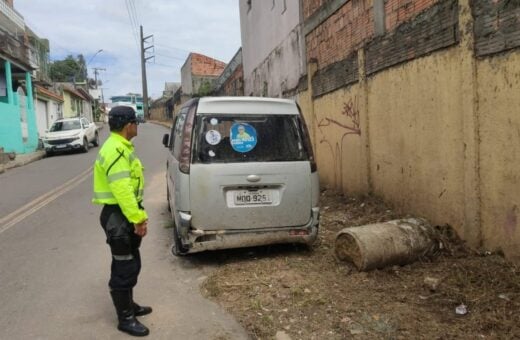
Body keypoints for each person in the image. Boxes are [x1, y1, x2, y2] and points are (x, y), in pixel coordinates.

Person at [92, 106, 151, 337]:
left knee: (131, 261)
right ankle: (125, 318)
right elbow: (122, 189)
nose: (137, 126)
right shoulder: (117, 150)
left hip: (122, 214)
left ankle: (130, 305)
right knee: (124, 266)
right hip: (119, 216)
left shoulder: (120, 146)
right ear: (128, 126)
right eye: (135, 123)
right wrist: (138, 219)